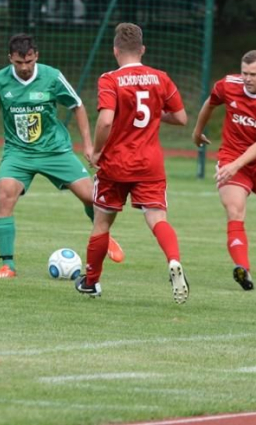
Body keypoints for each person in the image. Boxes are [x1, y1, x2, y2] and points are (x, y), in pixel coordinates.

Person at [0, 33, 124, 279]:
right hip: (18, 153)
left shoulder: (52, 76)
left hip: (55, 150)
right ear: (10, 59)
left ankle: (104, 235)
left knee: (93, 198)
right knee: (4, 194)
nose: (24, 68)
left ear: (36, 56)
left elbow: (77, 105)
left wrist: (88, 145)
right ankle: (7, 265)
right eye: (19, 63)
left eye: (29, 61)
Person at [74, 23, 189, 304]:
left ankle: (91, 282)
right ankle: (173, 260)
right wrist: (153, 114)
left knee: (102, 222)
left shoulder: (109, 79)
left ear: (115, 50)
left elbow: (105, 120)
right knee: (157, 219)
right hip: (149, 164)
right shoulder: (160, 78)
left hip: (116, 164)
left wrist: (97, 150)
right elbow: (182, 118)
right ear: (143, 50)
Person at [192, 50, 256, 291]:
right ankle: (244, 270)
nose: (247, 78)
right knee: (235, 211)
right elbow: (210, 103)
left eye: (253, 74)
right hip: (231, 157)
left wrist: (236, 165)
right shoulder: (228, 85)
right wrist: (197, 131)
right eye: (244, 73)